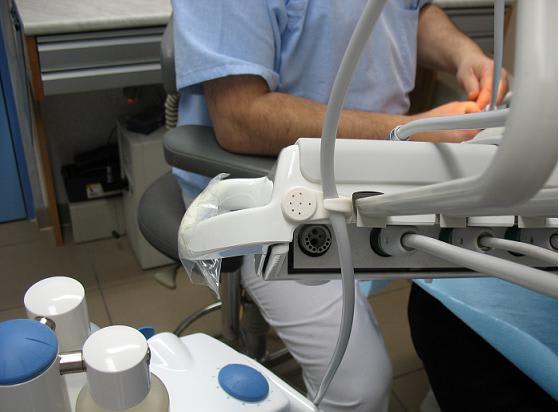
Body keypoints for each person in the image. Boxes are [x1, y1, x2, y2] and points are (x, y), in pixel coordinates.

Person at [171, 1, 507, 410]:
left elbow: (412, 10)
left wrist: (464, 54)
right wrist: (410, 133)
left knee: (483, 323)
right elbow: (240, 117)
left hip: (387, 167)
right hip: (273, 187)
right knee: (359, 389)